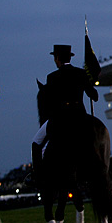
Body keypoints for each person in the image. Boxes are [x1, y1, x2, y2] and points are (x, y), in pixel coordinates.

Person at [31, 44, 99, 185]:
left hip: (60, 119)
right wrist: (90, 84)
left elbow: (49, 104)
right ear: (69, 57)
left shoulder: (52, 77)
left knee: (36, 143)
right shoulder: (81, 73)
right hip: (81, 116)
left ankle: (37, 176)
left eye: (55, 58)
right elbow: (95, 96)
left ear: (57, 59)